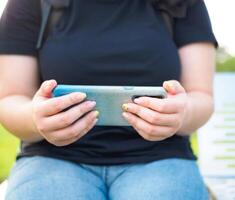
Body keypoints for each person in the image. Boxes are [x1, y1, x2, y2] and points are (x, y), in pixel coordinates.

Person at [0, 0, 217, 199]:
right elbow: (10, 99)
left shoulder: (184, 3)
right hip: (51, 158)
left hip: (162, 158)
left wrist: (183, 113)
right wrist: (35, 119)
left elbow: (201, 96)